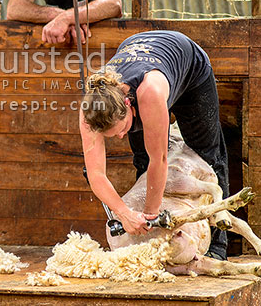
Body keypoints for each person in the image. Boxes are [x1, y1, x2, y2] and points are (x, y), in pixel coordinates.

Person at [79, 30, 229, 260]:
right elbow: (96, 173)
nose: (119, 137)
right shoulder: (90, 109)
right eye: (112, 134)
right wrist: (123, 214)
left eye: (121, 129)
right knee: (142, 161)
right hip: (137, 51)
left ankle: (218, 247)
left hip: (188, 67)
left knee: (208, 156)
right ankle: (150, 244)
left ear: (128, 105)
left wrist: (150, 214)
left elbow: (159, 159)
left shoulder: (150, 92)